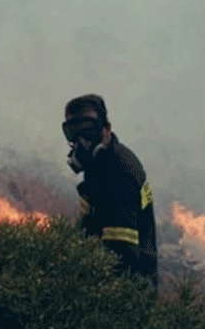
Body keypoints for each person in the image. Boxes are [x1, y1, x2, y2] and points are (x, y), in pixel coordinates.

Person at [62, 94, 158, 285]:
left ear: (106, 129)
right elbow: (88, 226)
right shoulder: (99, 167)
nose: (81, 141)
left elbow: (122, 254)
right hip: (104, 278)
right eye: (72, 132)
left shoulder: (120, 173)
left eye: (88, 131)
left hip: (128, 290)